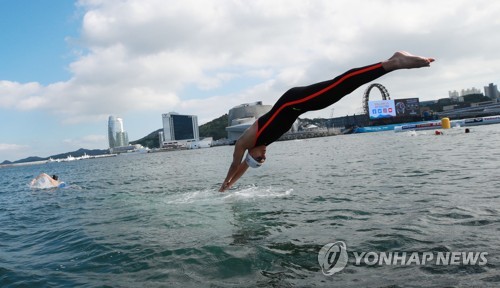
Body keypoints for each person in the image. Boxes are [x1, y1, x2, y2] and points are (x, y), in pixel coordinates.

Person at [219, 51, 435, 192]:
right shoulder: (261, 144)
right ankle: (391, 62)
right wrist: (230, 187)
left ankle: (394, 62)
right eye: (263, 160)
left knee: (339, 85)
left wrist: (224, 184)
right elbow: (244, 167)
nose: (264, 156)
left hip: (292, 102)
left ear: (251, 153)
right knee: (339, 90)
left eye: (260, 159)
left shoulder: (246, 142)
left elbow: (236, 164)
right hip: (300, 105)